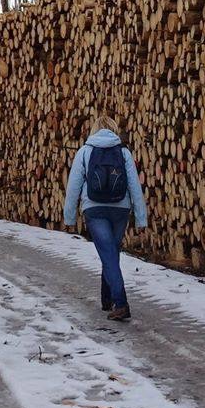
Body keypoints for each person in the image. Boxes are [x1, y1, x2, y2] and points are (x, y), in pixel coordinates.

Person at [62, 118, 148, 321]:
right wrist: (140, 218)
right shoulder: (123, 152)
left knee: (108, 253)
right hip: (120, 209)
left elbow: (73, 185)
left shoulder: (85, 151)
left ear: (94, 130)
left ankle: (121, 303)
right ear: (114, 130)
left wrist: (69, 217)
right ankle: (106, 298)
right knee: (110, 252)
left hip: (95, 209)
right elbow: (135, 186)